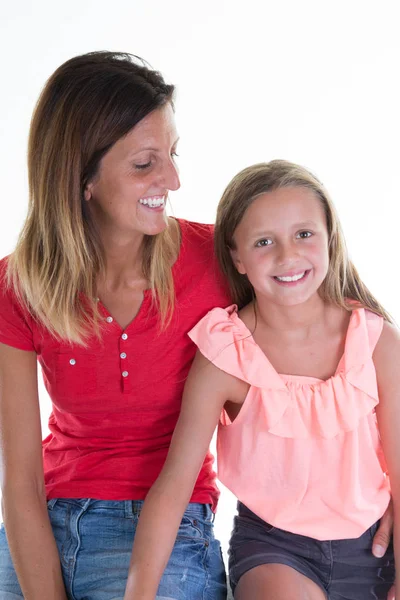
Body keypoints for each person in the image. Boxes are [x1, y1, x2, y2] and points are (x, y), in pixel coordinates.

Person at [0, 51, 229, 600]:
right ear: (82, 179)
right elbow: (21, 483)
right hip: (43, 523)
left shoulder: (217, 260)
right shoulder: (18, 285)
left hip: (168, 529)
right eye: (145, 163)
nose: (173, 179)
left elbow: (345, 331)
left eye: (171, 154)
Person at [125, 160, 398, 600]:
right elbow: (173, 486)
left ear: (330, 236)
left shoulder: (374, 339)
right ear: (236, 256)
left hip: (375, 545)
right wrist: (137, 594)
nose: (287, 256)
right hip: (275, 548)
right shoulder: (226, 352)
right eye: (264, 242)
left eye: (304, 234)